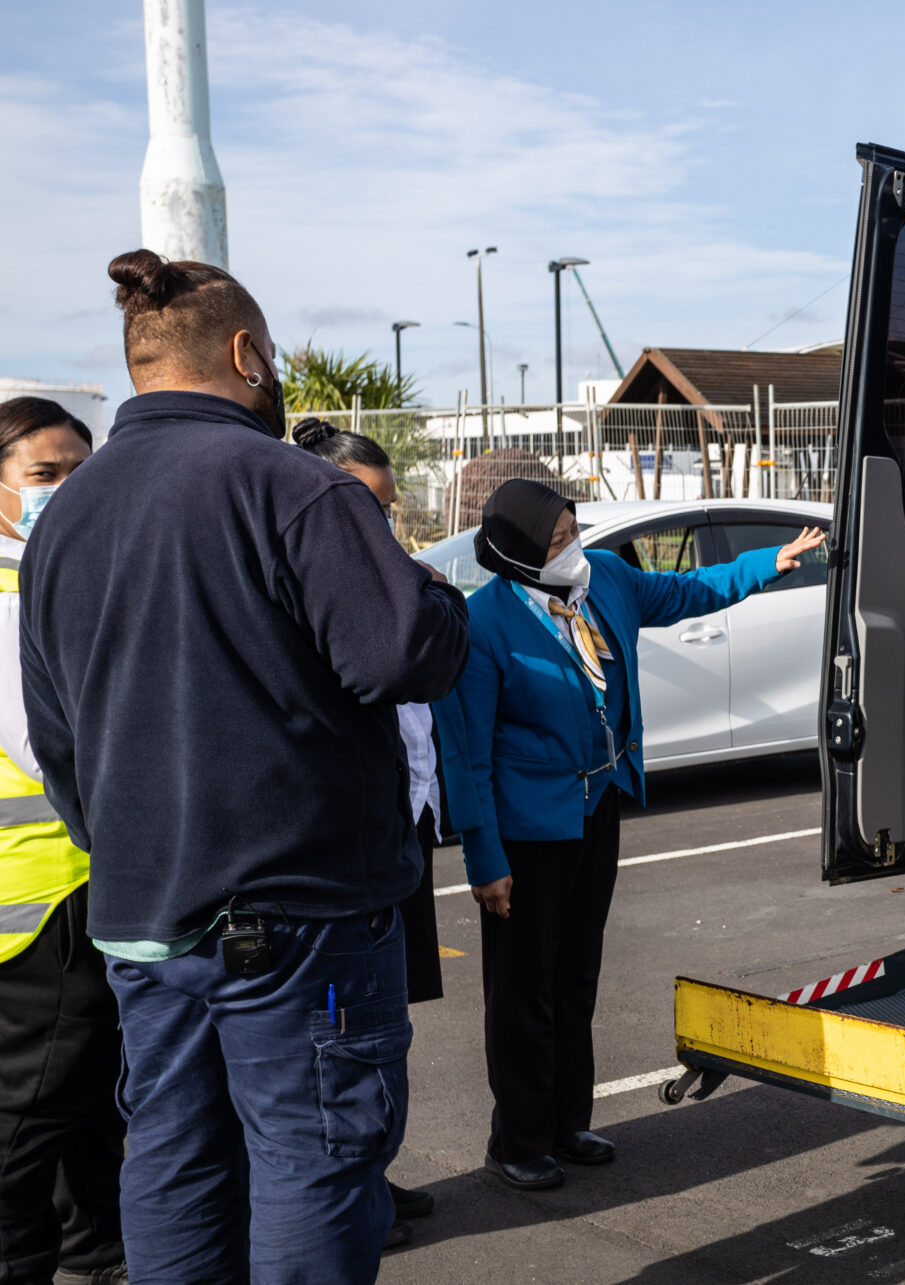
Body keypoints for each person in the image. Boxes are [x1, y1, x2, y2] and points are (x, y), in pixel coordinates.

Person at [17, 250, 470, 1284]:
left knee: (173, 1166)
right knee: (314, 1165)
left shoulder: (64, 519)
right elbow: (404, 654)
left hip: (140, 917)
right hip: (295, 919)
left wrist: (125, 849)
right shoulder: (290, 485)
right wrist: (424, 585)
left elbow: (60, 738)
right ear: (246, 353)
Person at [444, 478, 820, 1190]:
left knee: (576, 972)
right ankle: (517, 1139)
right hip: (526, 830)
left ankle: (565, 1120)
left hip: (595, 806)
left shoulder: (606, 578)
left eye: (574, 528)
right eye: (557, 541)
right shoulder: (485, 624)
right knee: (524, 990)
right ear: (520, 555)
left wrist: (763, 565)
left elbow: (686, 592)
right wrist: (483, 857)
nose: (574, 547)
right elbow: (467, 756)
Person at [291, 418, 447, 1248]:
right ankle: (343, 1198)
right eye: (368, 508)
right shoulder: (315, 587)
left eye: (388, 510)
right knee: (334, 1037)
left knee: (384, 1026)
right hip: (337, 859)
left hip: (402, 830)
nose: (383, 527)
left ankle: (372, 1173)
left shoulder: (384, 579)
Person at [0, 398, 125, 1285]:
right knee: (23, 1125)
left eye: (82, 472)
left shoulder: (57, 578)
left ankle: (100, 1253)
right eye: (45, 477)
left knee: (92, 1105)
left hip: (79, 895)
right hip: (47, 909)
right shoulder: (15, 602)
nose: (68, 492)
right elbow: (65, 747)